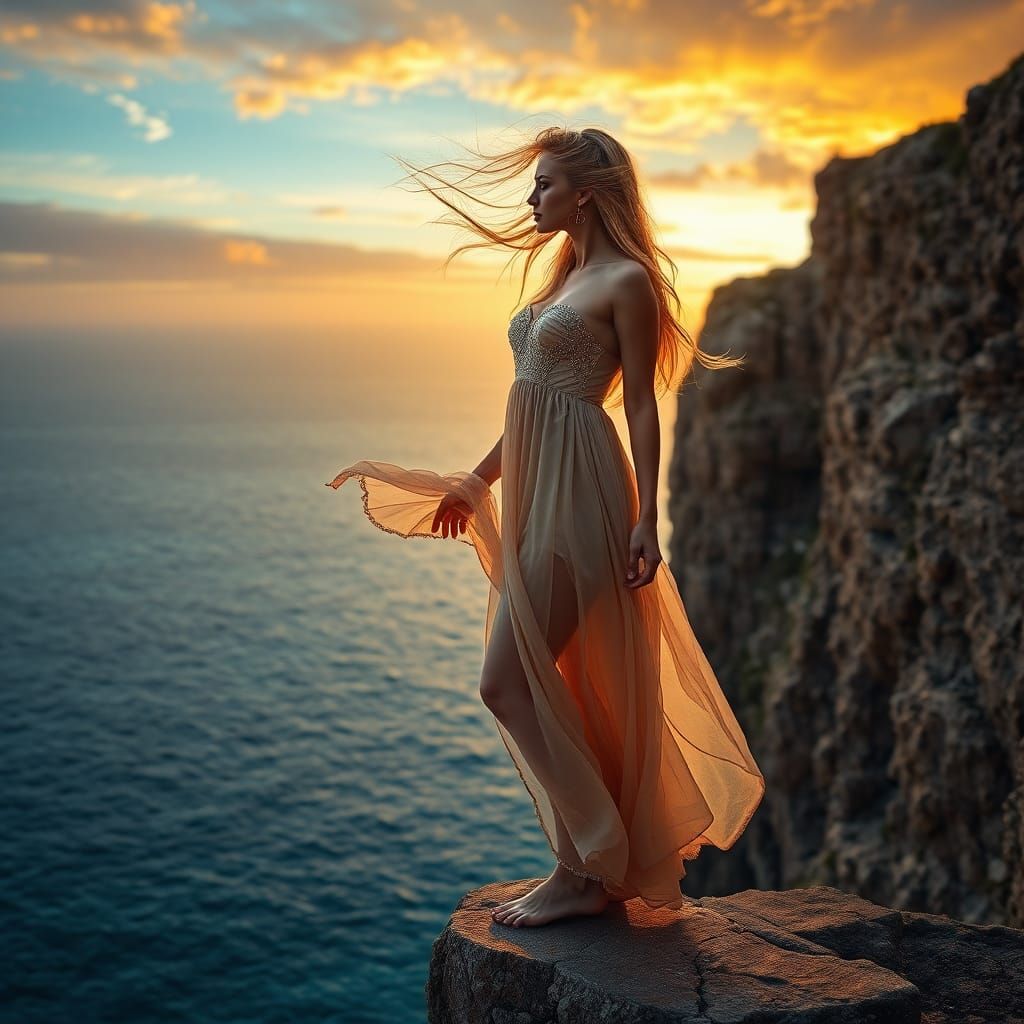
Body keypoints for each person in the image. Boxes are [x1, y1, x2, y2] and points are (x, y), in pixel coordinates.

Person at [326, 126, 765, 929]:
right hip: (536, 492)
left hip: (585, 498)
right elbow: (533, 397)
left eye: (545, 185)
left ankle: (589, 865)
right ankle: (595, 861)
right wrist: (474, 478)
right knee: (550, 685)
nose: (531, 199)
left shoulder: (626, 281)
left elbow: (636, 404)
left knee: (505, 684)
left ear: (586, 193)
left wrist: (647, 519)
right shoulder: (566, 279)